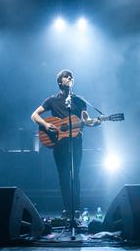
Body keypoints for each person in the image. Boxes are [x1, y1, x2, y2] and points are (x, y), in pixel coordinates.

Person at [31, 69, 100, 218]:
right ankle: (67, 209)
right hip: (59, 141)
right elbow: (34, 115)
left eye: (71, 77)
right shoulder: (52, 100)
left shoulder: (80, 101)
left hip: (76, 141)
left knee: (76, 174)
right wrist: (45, 125)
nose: (70, 78)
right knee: (63, 176)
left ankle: (76, 210)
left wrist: (96, 122)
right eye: (66, 76)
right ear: (59, 82)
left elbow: (86, 120)